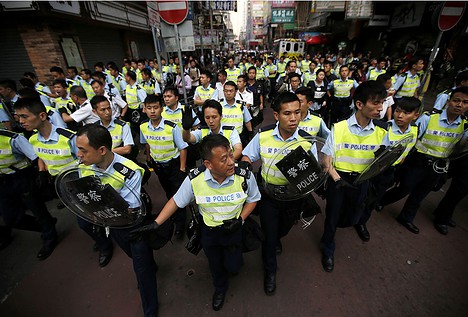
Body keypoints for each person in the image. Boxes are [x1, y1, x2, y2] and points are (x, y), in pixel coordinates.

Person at [132, 134, 260, 311]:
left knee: (234, 264)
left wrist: (240, 220)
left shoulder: (244, 176)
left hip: (235, 230)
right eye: (224, 159)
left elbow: (253, 199)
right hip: (209, 233)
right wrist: (156, 223)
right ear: (208, 164)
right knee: (215, 264)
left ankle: (233, 266)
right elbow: (176, 201)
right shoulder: (195, 179)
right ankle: (220, 289)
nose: (231, 162)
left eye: (231, 155)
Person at [75, 124, 158, 317]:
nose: (79, 155)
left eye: (83, 150)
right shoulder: (84, 167)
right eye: (78, 149)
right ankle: (150, 264)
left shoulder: (129, 171)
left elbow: (129, 208)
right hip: (111, 226)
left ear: (102, 150)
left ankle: (150, 310)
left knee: (141, 270)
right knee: (134, 255)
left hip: (132, 224)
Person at [241, 92, 315, 296]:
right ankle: (270, 271)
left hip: (293, 198)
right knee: (270, 236)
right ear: (276, 115)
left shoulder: (307, 141)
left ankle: (277, 238)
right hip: (269, 196)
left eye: (297, 113)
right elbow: (248, 155)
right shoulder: (263, 135)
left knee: (283, 230)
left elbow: (313, 172)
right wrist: (246, 166)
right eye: (287, 113)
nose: (293, 118)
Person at [320, 81, 389, 273]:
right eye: (375, 103)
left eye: (382, 103)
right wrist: (337, 179)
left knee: (353, 215)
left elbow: (382, 161)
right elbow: (327, 160)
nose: (380, 108)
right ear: (359, 104)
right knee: (332, 217)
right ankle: (327, 248)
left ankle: (354, 224)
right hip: (339, 181)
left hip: (363, 181)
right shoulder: (339, 128)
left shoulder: (382, 131)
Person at [379, 86, 468, 234]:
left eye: (465, 102)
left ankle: (406, 217)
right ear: (448, 101)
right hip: (418, 161)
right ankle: (380, 201)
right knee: (404, 188)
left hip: (438, 166)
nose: (460, 105)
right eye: (456, 101)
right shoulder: (429, 118)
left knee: (421, 193)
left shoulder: (465, 125)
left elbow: (460, 147)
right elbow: (413, 136)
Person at [358, 97, 420, 241]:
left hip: (390, 172)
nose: (400, 115)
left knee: (373, 200)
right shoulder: (382, 128)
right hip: (372, 170)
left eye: (406, 113)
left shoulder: (415, 131)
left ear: (415, 115)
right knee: (361, 196)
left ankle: (361, 222)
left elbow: (408, 152)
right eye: (398, 111)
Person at [0, 127, 58, 259]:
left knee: (37, 209)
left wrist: (41, 173)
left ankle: (49, 236)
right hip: (3, 182)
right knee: (11, 218)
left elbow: (37, 157)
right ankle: (47, 225)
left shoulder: (12, 139)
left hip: (21, 177)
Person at [140, 94, 188, 237]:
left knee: (177, 195)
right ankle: (173, 214)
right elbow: (147, 143)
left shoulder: (171, 127)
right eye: (149, 108)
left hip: (173, 166)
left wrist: (182, 168)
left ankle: (180, 224)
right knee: (168, 192)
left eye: (155, 107)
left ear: (162, 109)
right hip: (158, 167)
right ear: (145, 109)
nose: (152, 111)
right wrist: (149, 158)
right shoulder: (143, 126)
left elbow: (183, 148)